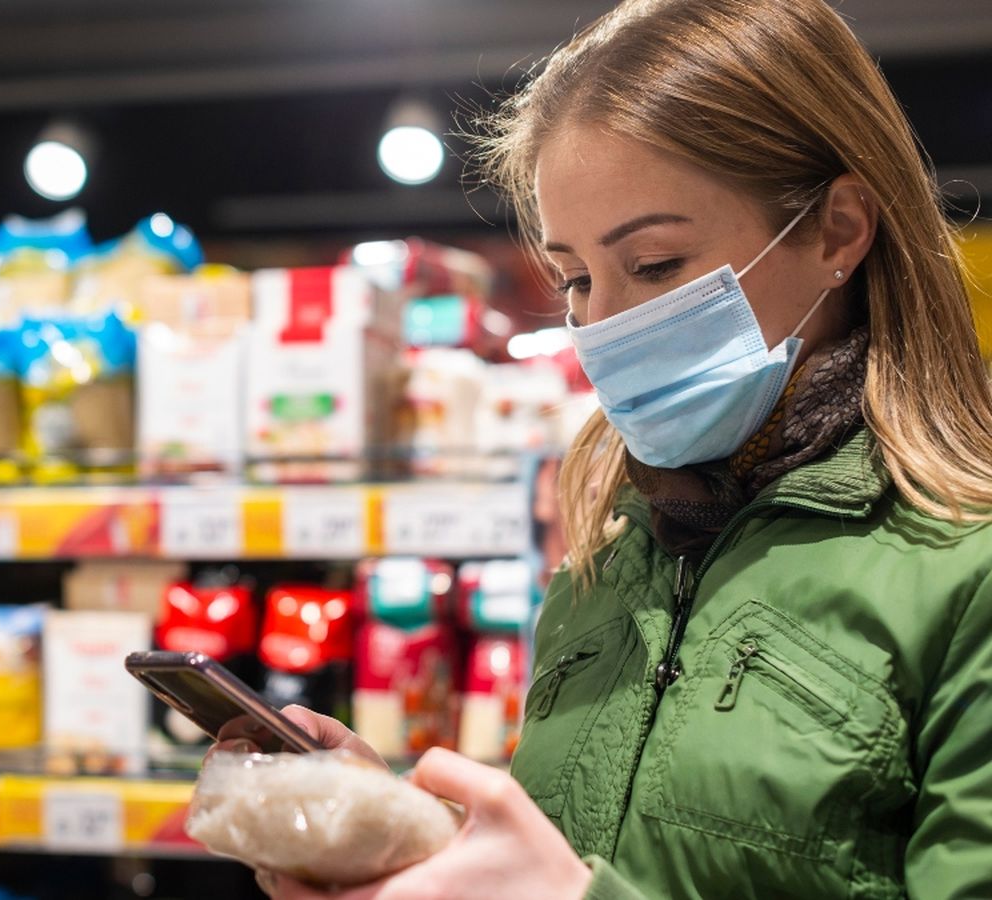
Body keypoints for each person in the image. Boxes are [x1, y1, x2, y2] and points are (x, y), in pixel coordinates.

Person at [208, 0, 992, 896]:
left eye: (656, 266)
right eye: (575, 278)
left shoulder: (966, 566)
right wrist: (408, 841)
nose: (603, 327)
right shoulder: (612, 553)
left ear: (837, 232)